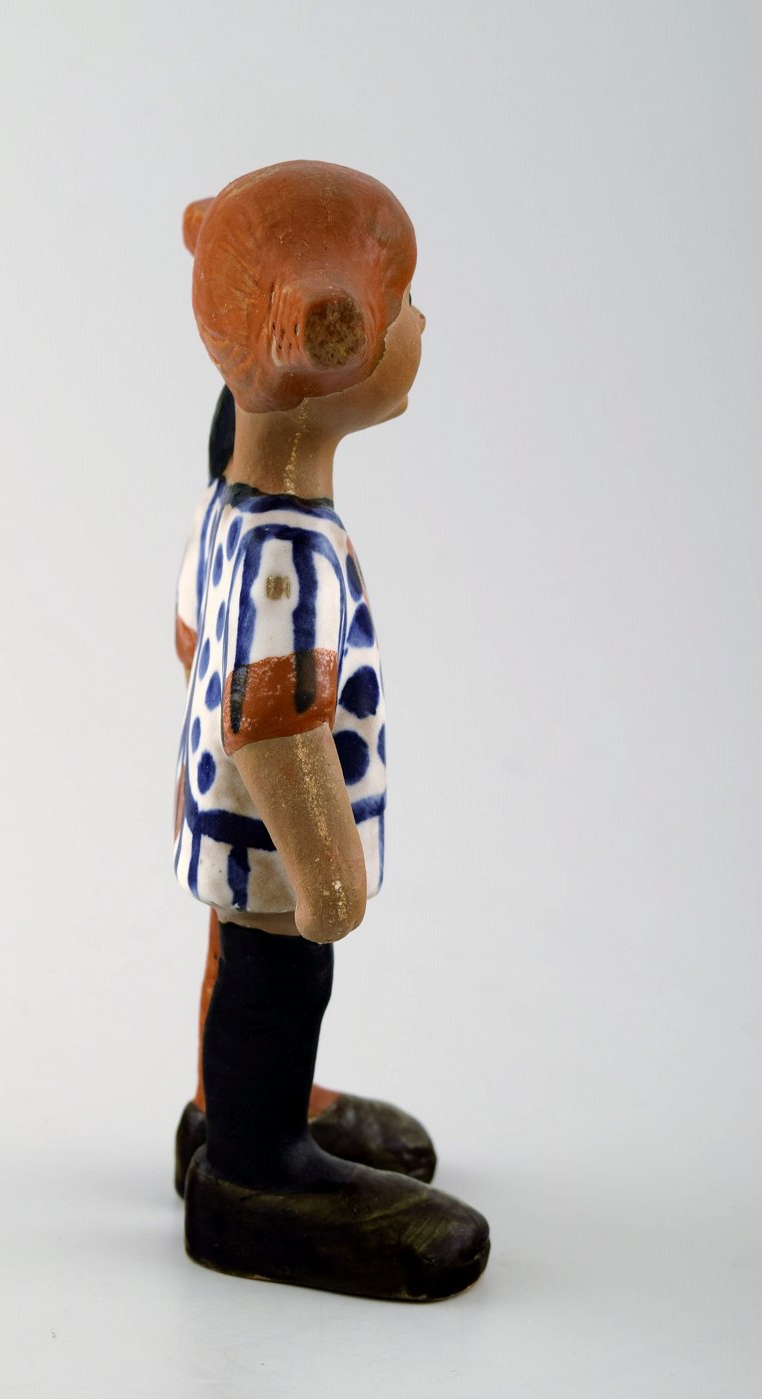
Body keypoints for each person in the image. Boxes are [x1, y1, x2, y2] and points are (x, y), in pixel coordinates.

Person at [171, 160, 489, 1300]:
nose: (419, 328)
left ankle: (225, 1111)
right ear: (329, 338)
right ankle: (255, 1172)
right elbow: (274, 718)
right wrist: (327, 871)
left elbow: (187, 635)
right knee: (281, 971)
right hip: (269, 824)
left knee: (236, 959)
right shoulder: (289, 549)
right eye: (400, 310)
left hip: (220, 805)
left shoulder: (231, 489)